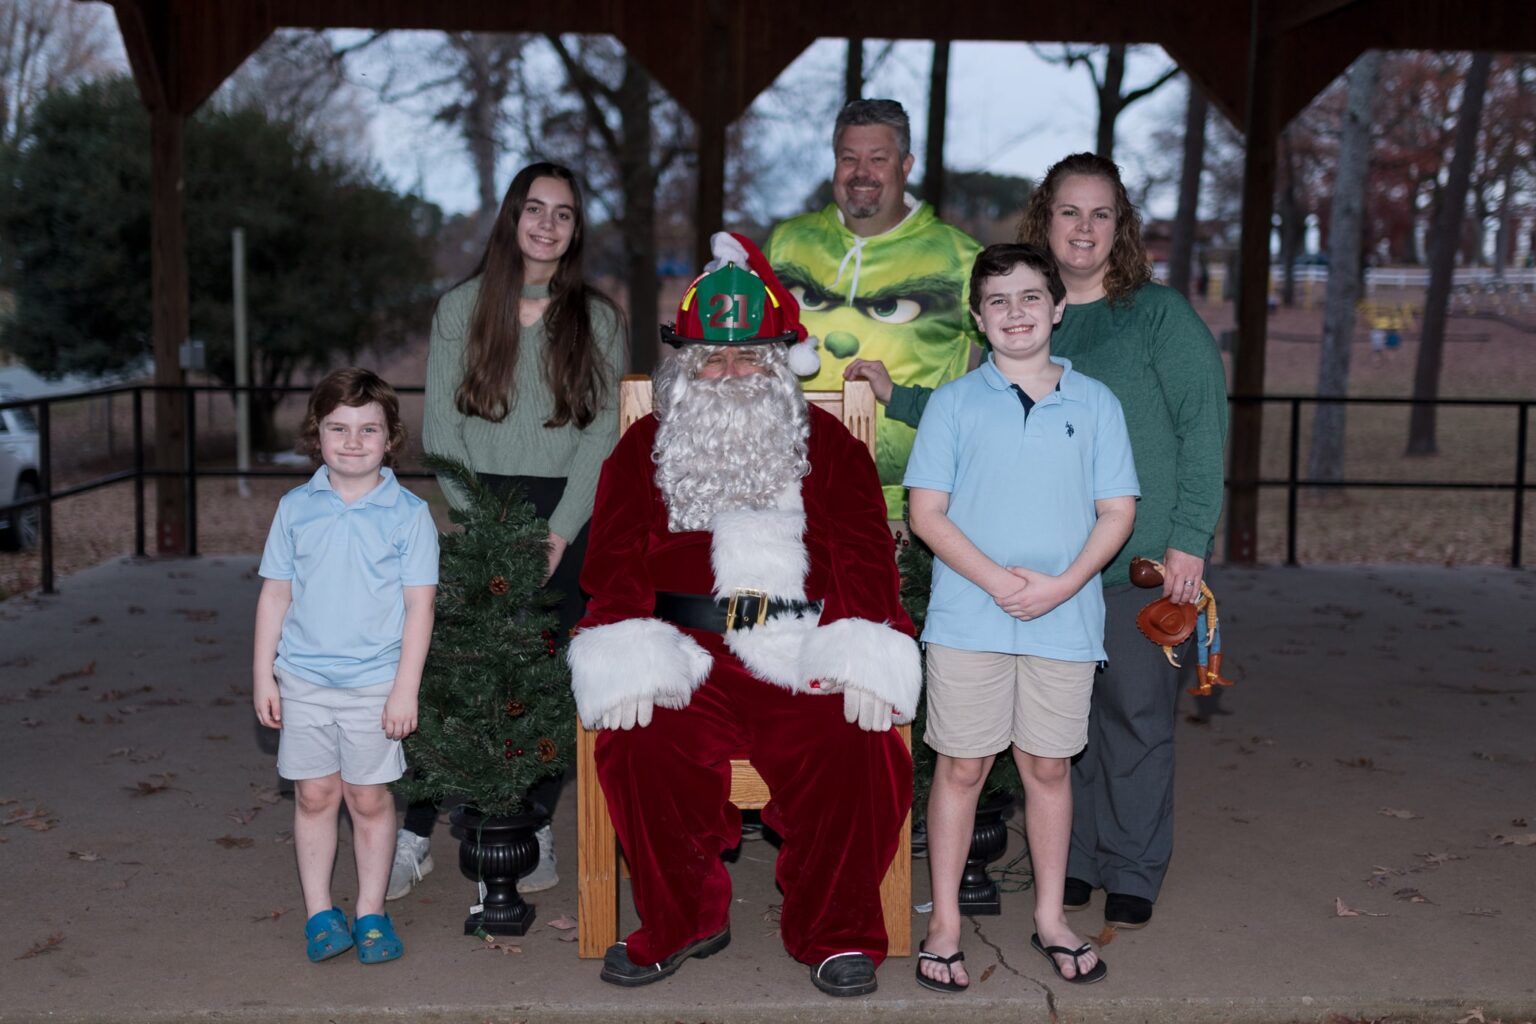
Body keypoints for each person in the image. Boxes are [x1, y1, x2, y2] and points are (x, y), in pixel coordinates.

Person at [568, 233, 919, 997]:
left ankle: (834, 932)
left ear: (777, 365)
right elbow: (613, 561)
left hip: (799, 645)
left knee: (860, 749)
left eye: (750, 357)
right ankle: (684, 917)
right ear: (686, 371)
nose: (730, 374)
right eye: (713, 361)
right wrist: (626, 647)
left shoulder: (827, 446)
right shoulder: (644, 448)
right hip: (682, 650)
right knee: (639, 748)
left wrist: (863, 645)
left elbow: (864, 552)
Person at [904, 244, 1138, 990]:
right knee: (963, 765)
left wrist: (1062, 585)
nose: (1016, 313)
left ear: (1058, 307)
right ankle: (943, 924)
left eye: (1031, 297)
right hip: (969, 618)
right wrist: (1001, 583)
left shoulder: (1096, 403)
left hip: (1064, 618)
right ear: (978, 317)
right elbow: (926, 514)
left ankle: (1049, 919)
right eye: (998, 301)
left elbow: (1117, 510)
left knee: (1046, 766)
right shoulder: (953, 403)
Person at [396, 161, 626, 900]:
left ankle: (533, 827)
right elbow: (440, 431)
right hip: (481, 510)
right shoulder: (462, 308)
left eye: (563, 213)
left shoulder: (598, 318)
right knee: (462, 680)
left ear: (576, 228)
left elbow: (603, 438)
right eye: (535, 209)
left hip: (568, 514)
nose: (547, 224)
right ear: (511, 217)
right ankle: (412, 835)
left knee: (548, 683)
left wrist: (557, 532)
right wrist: (486, 527)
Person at [1016, 153, 1229, 929]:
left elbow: (1203, 429)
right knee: (1062, 727)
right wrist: (896, 395)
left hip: (1143, 564)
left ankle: (1133, 867)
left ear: (1121, 227)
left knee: (1135, 718)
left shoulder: (1159, 316)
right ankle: (1075, 859)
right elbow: (981, 411)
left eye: (1101, 214)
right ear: (1046, 219)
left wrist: (1189, 539)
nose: (1084, 228)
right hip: (1053, 568)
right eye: (1070, 212)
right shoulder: (1031, 312)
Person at [253, 367, 439, 965]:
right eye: (338, 427)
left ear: (390, 439)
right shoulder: (295, 508)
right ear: (317, 434)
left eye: (368, 429)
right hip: (303, 681)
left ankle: (371, 911)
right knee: (313, 796)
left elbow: (419, 607)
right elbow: (275, 595)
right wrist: (263, 674)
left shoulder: (408, 515)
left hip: (374, 685)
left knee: (367, 799)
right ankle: (319, 913)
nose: (353, 441)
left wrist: (404, 690)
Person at [766, 98, 982, 518]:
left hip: (911, 510)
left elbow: (1011, 364)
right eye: (849, 158)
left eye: (878, 159)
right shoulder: (787, 243)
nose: (861, 173)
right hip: (785, 497)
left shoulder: (960, 257)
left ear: (905, 165)